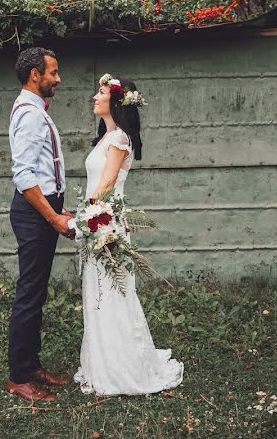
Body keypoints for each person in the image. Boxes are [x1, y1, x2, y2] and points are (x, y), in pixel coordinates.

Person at [73, 73, 184, 396]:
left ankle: (121, 368)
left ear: (117, 101)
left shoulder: (121, 139)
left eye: (102, 92)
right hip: (101, 222)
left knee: (112, 294)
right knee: (99, 293)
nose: (95, 96)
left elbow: (105, 187)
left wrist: (83, 220)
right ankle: (102, 362)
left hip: (105, 226)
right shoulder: (107, 138)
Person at [6, 46, 75, 402]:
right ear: (36, 74)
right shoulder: (30, 115)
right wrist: (53, 217)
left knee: (37, 292)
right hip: (35, 213)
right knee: (29, 294)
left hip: (44, 209)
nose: (58, 79)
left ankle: (31, 366)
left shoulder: (35, 111)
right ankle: (19, 377)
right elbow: (23, 175)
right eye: (53, 72)